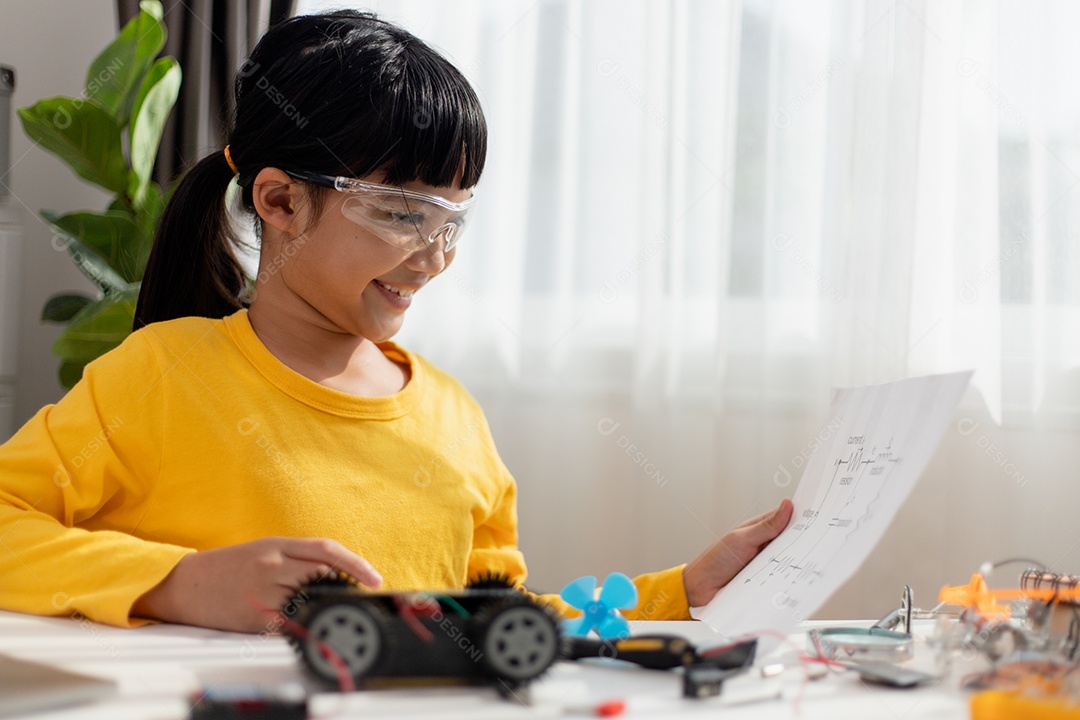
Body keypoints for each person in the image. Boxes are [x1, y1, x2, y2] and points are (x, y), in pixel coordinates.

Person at [0, 10, 793, 633]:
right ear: (279, 201)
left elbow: (492, 626)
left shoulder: (453, 417)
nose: (435, 254)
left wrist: (681, 592)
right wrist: (178, 583)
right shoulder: (162, 374)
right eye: (404, 214)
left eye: (453, 221)